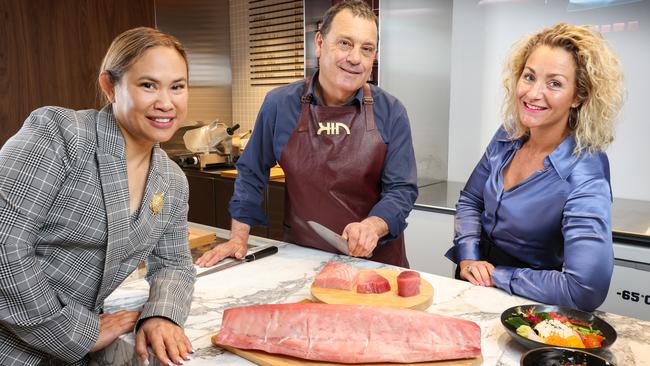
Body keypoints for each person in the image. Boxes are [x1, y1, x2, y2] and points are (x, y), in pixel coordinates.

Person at [0, 27, 196, 365]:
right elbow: (5, 243)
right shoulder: (60, 134)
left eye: (177, 87)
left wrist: (162, 314)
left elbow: (175, 263)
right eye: (148, 85)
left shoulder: (173, 181)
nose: (166, 103)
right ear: (110, 86)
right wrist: (74, 331)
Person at [196, 0, 417, 268]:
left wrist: (372, 226)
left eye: (366, 48)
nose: (355, 58)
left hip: (377, 263)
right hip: (303, 258)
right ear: (320, 43)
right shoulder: (279, 104)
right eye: (345, 43)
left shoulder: (391, 111)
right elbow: (252, 172)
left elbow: (401, 190)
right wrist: (238, 239)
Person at [445, 23, 624, 311]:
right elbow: (471, 199)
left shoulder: (585, 170)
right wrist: (468, 255)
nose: (533, 93)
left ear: (578, 96)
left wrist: (498, 276)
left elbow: (586, 289)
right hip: (472, 280)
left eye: (554, 83)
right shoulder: (508, 134)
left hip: (530, 304)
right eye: (529, 77)